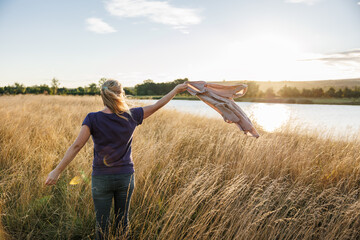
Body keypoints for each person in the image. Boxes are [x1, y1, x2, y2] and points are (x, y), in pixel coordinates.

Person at [45, 79, 188, 239]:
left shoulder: (92, 118)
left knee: (102, 225)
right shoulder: (132, 115)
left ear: (103, 96)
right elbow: (157, 105)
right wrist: (175, 90)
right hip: (125, 178)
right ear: (121, 94)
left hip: (101, 179)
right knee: (122, 223)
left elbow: (76, 146)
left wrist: (56, 171)